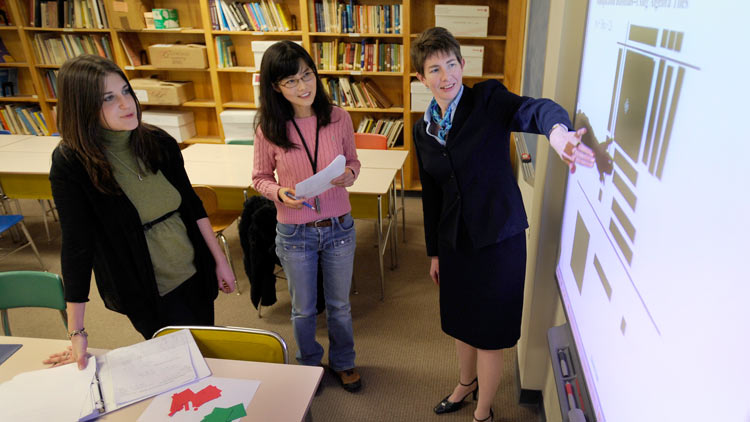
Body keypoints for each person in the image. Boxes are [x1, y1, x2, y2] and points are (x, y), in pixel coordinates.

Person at [410, 28, 595, 422]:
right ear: (421, 79)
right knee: (461, 321)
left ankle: (482, 412)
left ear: (462, 64)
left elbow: (534, 109)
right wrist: (434, 251)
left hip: (498, 241)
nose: (446, 77)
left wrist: (558, 134)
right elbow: (432, 195)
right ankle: (466, 382)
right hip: (455, 241)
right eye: (434, 69)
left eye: (451, 65)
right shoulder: (422, 129)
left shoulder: (488, 100)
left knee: (490, 333)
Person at [43, 55, 236, 370]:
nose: (125, 103)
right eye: (108, 98)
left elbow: (191, 205)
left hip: (193, 269)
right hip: (144, 286)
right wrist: (77, 330)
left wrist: (219, 260)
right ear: (83, 106)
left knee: (205, 347)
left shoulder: (157, 141)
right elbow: (77, 247)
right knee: (179, 363)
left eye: (126, 91)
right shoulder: (71, 163)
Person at [251, 41, 363, 392]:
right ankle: (309, 364)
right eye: (291, 82)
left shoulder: (339, 117)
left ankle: (344, 362)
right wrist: (279, 193)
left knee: (340, 306)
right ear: (275, 88)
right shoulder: (268, 128)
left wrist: (351, 175)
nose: (303, 87)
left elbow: (353, 161)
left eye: (307, 75)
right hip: (295, 231)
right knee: (303, 309)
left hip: (338, 227)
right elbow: (259, 179)